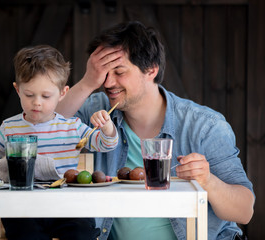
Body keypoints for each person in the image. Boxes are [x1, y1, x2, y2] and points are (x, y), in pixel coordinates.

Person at [56, 21, 255, 240]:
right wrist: (86, 82)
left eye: (119, 71)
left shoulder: (204, 126)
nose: (108, 83)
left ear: (151, 69)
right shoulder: (96, 110)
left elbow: (244, 211)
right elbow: (46, 128)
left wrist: (209, 181)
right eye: (102, 74)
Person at [0, 44, 119, 240]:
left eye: (46, 96)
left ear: (62, 93)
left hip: (64, 208)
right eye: (29, 95)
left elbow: (105, 144)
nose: (37, 102)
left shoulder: (72, 127)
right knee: (24, 232)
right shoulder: (9, 127)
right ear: (17, 90)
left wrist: (107, 127)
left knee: (83, 231)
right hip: (23, 209)